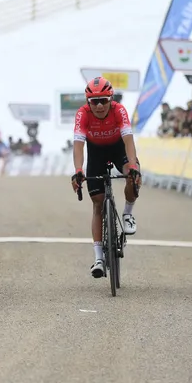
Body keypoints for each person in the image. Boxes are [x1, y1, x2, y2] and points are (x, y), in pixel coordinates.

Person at [70, 77, 142, 279]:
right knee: (98, 204)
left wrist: (133, 167)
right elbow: (78, 145)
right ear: (88, 102)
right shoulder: (82, 114)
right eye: (94, 101)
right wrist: (78, 170)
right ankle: (99, 258)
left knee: (132, 174)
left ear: (111, 99)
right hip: (97, 153)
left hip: (118, 148)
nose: (99, 105)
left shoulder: (119, 110)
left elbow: (128, 140)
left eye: (103, 100)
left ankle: (128, 213)